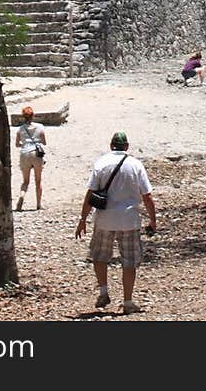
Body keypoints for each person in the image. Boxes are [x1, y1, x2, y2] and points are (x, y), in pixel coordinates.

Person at [75, 130, 156, 315]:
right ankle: (128, 301)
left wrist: (82, 219)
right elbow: (147, 196)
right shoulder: (136, 165)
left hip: (104, 219)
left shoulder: (101, 163)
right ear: (127, 147)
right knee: (129, 261)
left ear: (110, 145)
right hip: (129, 220)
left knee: (99, 256)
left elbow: (90, 194)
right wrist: (153, 220)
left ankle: (103, 291)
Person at [15, 105, 47, 211]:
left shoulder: (20, 129)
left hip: (24, 153)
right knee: (38, 180)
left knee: (25, 181)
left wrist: (25, 143)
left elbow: (17, 144)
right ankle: (38, 204)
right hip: (36, 154)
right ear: (33, 116)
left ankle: (22, 195)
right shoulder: (40, 127)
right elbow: (44, 142)